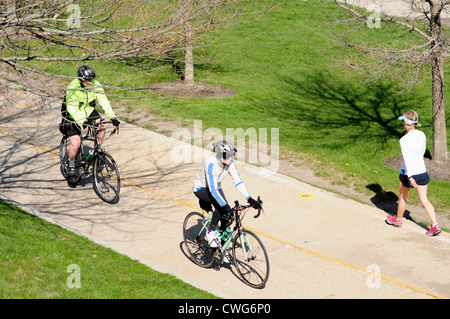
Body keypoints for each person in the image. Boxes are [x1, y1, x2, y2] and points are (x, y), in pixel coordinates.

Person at [192, 140, 260, 249]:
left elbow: (237, 181)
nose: (231, 159)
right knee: (221, 207)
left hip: (216, 188)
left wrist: (250, 199)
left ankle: (221, 250)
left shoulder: (229, 163)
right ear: (219, 155)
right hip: (201, 189)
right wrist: (224, 206)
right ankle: (211, 232)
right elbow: (213, 189)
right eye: (227, 156)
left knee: (226, 218)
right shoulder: (210, 164)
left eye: (231, 156)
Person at [385, 110, 441, 236]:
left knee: (403, 197)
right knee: (424, 200)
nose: (402, 122)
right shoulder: (421, 134)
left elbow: (407, 159)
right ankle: (434, 224)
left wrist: (410, 177)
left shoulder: (404, 140)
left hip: (407, 173)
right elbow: (420, 153)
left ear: (406, 123)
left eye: (403, 120)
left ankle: (398, 220)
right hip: (422, 171)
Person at [60, 65, 120, 178]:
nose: (91, 82)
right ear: (80, 80)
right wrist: (83, 123)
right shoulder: (73, 87)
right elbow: (73, 109)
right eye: (88, 81)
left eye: (92, 79)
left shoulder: (96, 84)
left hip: (88, 111)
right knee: (76, 142)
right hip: (72, 115)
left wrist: (113, 118)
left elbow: (103, 101)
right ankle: (71, 164)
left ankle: (95, 153)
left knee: (101, 127)